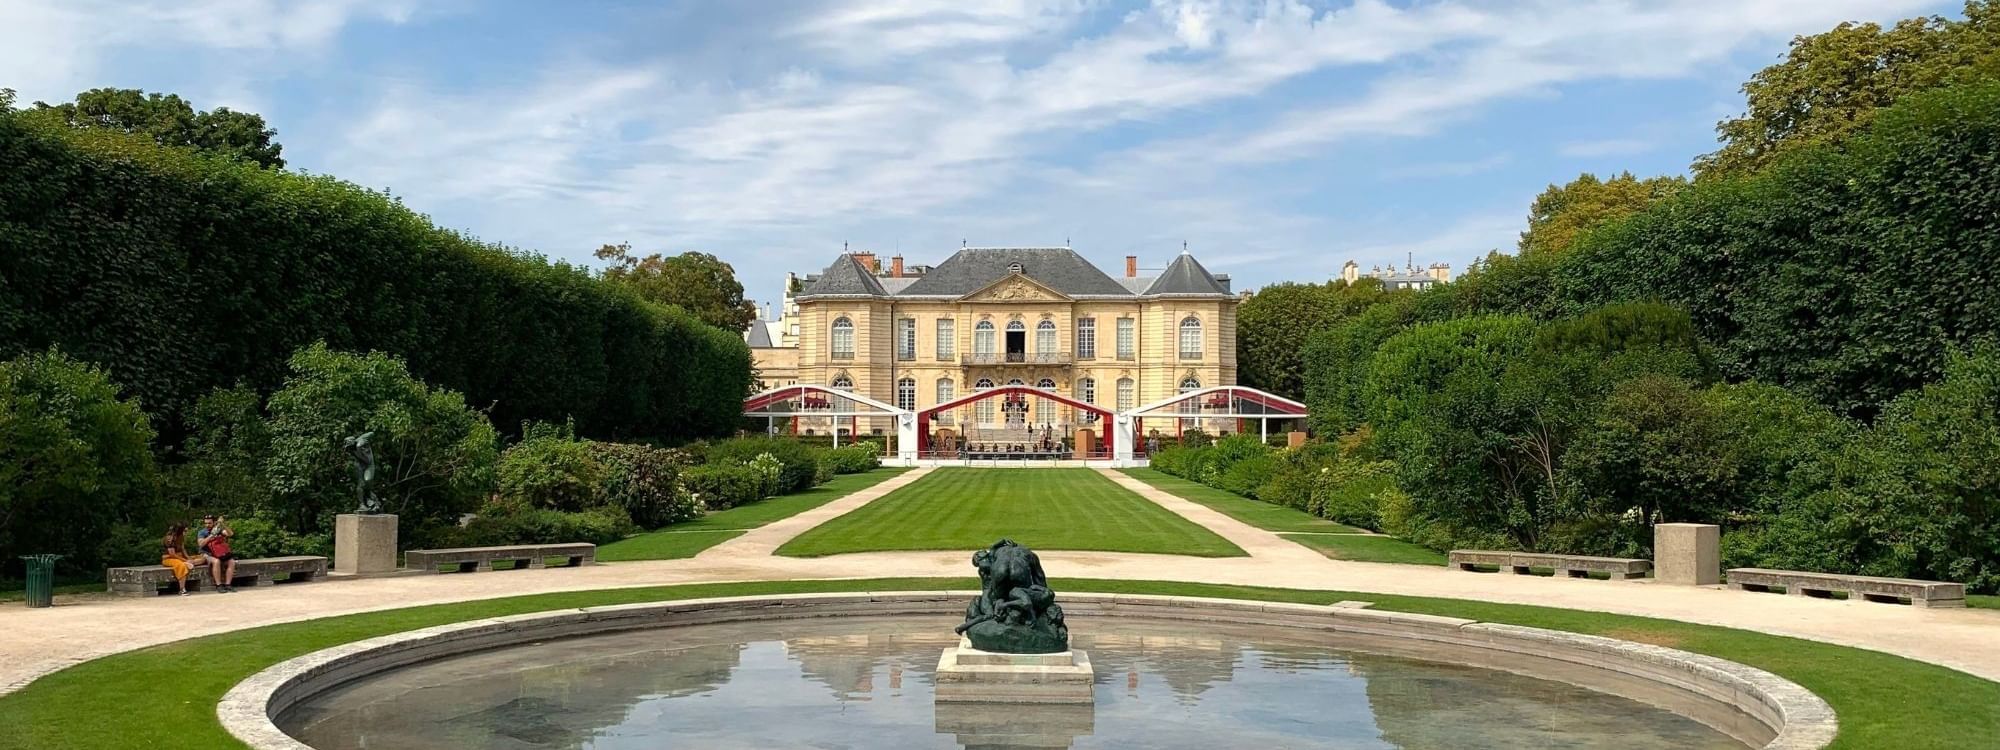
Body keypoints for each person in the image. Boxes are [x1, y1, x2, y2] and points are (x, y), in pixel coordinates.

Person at [161, 523, 209, 596]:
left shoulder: (181, 538)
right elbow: (172, 554)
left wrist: (188, 558)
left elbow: (183, 549)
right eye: (185, 531)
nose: (186, 533)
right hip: (170, 558)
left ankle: (190, 563)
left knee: (202, 557)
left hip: (180, 557)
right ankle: (182, 589)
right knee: (180, 566)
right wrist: (184, 560)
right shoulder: (170, 538)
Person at [199, 515, 239, 593]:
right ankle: (218, 585)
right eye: (206, 523)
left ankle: (228, 585)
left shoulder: (219, 530)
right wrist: (211, 535)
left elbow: (230, 534)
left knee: (232, 562)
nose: (207, 525)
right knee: (216, 562)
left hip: (220, 553)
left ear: (214, 522)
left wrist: (223, 524)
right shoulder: (202, 532)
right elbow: (201, 544)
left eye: (209, 523)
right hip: (207, 554)